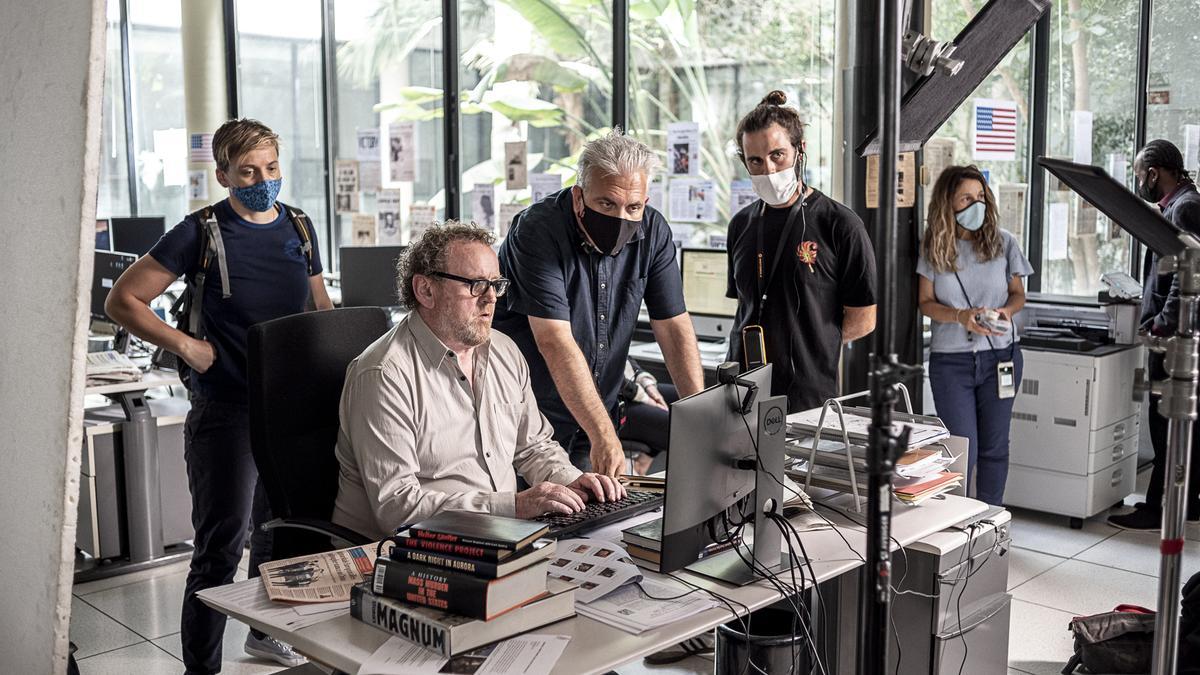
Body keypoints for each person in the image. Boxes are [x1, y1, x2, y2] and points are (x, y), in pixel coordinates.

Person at [105, 118, 332, 672]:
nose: (262, 179)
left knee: (276, 539)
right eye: (248, 170)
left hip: (288, 411)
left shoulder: (299, 227)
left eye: (272, 168)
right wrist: (188, 346)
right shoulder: (199, 232)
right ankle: (200, 668)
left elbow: (320, 307)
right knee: (219, 551)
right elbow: (123, 300)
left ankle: (263, 634)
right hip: (225, 411)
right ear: (224, 172)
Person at [331, 223, 623, 539]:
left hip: (497, 536)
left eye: (495, 284)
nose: (490, 299)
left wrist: (570, 481)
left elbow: (533, 447)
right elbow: (398, 508)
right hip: (397, 551)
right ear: (426, 290)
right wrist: (514, 506)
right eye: (475, 285)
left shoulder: (504, 351)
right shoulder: (384, 375)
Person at [492, 130, 705, 476]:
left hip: (598, 407)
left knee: (593, 522)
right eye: (607, 204)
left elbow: (674, 326)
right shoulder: (537, 232)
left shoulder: (653, 232)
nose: (620, 218)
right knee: (539, 518)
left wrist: (701, 418)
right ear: (579, 197)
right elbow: (555, 341)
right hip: (533, 419)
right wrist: (603, 434)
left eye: (633, 207)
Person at [726, 90, 878, 413]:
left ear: (799, 151)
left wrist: (812, 341)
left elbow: (864, 319)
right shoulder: (740, 224)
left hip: (807, 397)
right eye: (755, 160)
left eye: (777, 155)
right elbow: (745, 305)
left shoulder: (840, 224)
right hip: (743, 392)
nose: (767, 169)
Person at [916, 165, 1032, 507]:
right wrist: (960, 317)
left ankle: (991, 520)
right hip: (951, 361)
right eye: (966, 197)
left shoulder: (1004, 242)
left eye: (980, 196)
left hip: (1001, 357)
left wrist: (1005, 313)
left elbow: (1018, 295)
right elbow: (924, 303)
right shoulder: (934, 247)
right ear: (948, 202)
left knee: (996, 447)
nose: (975, 204)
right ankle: (961, 523)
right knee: (962, 447)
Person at [1109, 139, 1200, 530]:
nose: (1138, 183)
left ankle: (1158, 508)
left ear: (1153, 172)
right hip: (1176, 332)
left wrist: (1162, 323)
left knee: (1165, 423)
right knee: (1177, 425)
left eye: (1138, 174)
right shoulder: (1180, 205)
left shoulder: (1186, 209)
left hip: (1176, 337)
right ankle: (1186, 503)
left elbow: (1188, 274)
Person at [617, 359, 678, 474]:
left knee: (686, 399)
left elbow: (624, 356)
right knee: (680, 426)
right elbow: (607, 372)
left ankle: (646, 456)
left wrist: (647, 383)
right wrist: (643, 397)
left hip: (634, 386)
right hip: (615, 399)